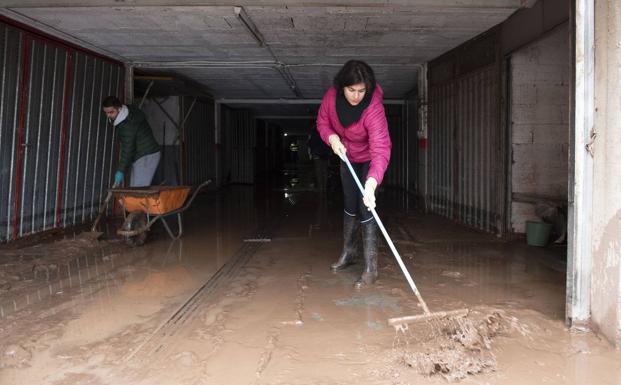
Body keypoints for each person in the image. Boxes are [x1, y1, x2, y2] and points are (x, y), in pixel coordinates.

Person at [316, 60, 391, 288]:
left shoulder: (373, 108)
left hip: (369, 157)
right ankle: (349, 254)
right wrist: (332, 138)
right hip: (346, 156)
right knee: (349, 204)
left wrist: (371, 183)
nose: (356, 96)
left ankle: (371, 269)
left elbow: (381, 148)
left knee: (365, 205)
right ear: (342, 87)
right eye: (351, 90)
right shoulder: (331, 98)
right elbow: (322, 122)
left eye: (361, 91)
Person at [102, 96, 161, 187]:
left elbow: (127, 149)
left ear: (119, 108)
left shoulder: (127, 125)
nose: (108, 116)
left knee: (138, 189)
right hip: (143, 154)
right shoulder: (127, 111)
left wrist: (121, 170)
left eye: (111, 112)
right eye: (106, 113)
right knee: (134, 189)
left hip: (147, 155)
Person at [307, 124, 331, 192]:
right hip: (325, 153)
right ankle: (324, 188)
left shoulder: (313, 132)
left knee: (319, 171)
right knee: (325, 171)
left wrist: (311, 153)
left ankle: (320, 188)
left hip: (317, 154)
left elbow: (310, 143)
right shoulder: (325, 131)